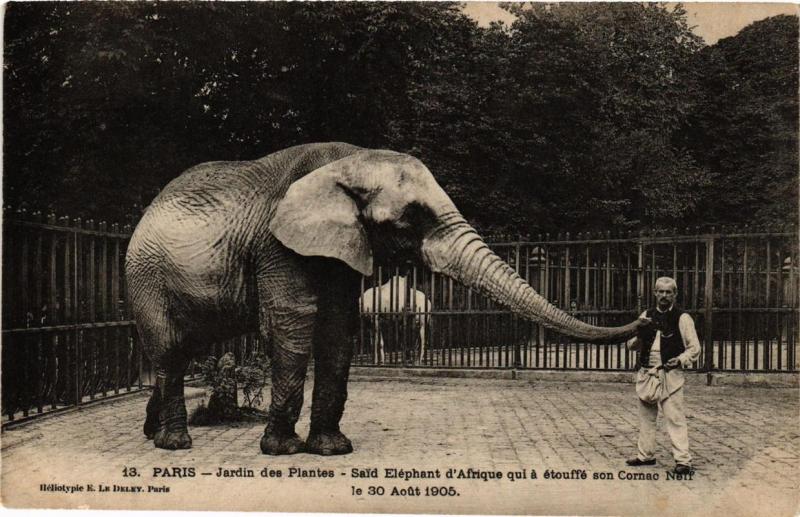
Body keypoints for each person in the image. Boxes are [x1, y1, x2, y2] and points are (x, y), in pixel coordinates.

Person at [626, 276, 701, 475]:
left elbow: (695, 348)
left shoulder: (683, 318)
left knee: (675, 417)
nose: (664, 296)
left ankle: (683, 460)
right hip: (646, 374)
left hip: (670, 375)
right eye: (661, 291)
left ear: (675, 294)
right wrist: (639, 334)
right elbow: (631, 345)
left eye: (669, 292)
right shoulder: (646, 315)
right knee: (646, 417)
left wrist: (679, 359)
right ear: (655, 293)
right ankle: (645, 456)